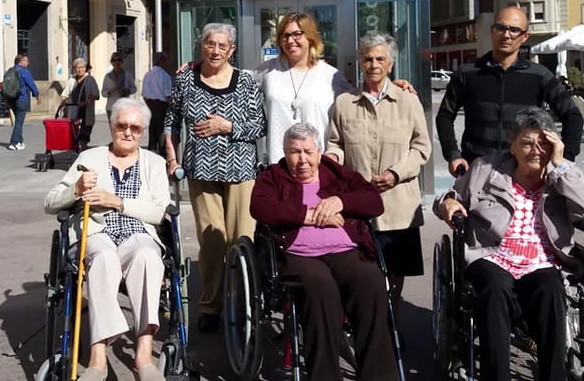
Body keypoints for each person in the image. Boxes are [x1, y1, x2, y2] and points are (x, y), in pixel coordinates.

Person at [433, 106, 584, 381]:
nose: (536, 150)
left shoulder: (564, 173)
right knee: (494, 288)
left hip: (542, 259)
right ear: (512, 145)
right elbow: (448, 198)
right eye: (527, 143)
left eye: (544, 143)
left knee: (551, 289)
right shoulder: (485, 169)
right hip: (492, 254)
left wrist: (560, 167)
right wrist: (448, 203)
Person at [251, 122, 399, 381]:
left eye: (308, 152)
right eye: (295, 152)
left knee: (370, 281)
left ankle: (379, 376)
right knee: (321, 289)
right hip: (299, 255)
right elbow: (260, 208)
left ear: (319, 153)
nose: (302, 159)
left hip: (346, 250)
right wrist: (306, 216)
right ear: (285, 153)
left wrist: (341, 201)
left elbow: (374, 202)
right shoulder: (273, 176)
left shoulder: (337, 174)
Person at [44, 98, 169, 381]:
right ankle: (97, 359)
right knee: (104, 258)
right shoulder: (89, 158)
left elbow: (159, 212)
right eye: (122, 125)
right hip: (96, 232)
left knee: (148, 256)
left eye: (135, 128)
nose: (128, 132)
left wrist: (118, 202)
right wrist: (76, 189)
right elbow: (50, 202)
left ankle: (144, 356)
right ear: (112, 126)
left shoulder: (154, 163)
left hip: (138, 232)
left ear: (143, 132)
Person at [163, 22, 266, 333]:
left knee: (242, 240)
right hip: (201, 171)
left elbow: (259, 125)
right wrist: (172, 158)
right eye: (210, 44)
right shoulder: (185, 78)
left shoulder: (246, 81)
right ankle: (211, 304)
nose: (216, 50)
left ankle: (244, 302)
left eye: (223, 45)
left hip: (241, 172)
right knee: (211, 242)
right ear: (202, 45)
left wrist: (227, 126)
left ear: (232, 50)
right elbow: (171, 121)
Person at [326, 33, 432, 305]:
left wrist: (395, 174)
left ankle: (390, 315)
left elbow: (421, 147)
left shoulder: (408, 101)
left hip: (398, 205)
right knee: (359, 271)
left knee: (396, 270)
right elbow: (336, 143)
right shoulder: (344, 103)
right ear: (360, 62)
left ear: (390, 64)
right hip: (357, 205)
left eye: (380, 59)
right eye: (368, 59)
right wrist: (331, 159)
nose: (374, 65)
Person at [436, 5, 583, 176]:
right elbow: (444, 116)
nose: (506, 35)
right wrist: (453, 154)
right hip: (476, 169)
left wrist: (565, 157)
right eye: (501, 28)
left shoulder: (539, 75)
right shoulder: (467, 73)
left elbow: (573, 116)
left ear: (525, 36)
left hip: (523, 173)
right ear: (492, 31)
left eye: (514, 30)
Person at [253, 12, 353, 165]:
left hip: (317, 165)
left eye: (297, 34)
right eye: (285, 35)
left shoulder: (330, 75)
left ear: (310, 37)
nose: (290, 40)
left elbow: (356, 103)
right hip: (279, 163)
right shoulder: (270, 70)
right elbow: (236, 79)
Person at [7, 53, 41, 151]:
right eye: (26, 61)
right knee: (19, 122)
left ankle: (20, 141)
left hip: (11, 100)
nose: (28, 63)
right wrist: (37, 95)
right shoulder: (24, 72)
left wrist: (6, 100)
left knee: (18, 120)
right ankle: (14, 142)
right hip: (21, 99)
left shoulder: (9, 71)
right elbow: (31, 84)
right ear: (20, 62)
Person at [141, 52, 172, 153]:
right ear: (162, 61)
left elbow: (144, 95)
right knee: (162, 134)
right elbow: (168, 95)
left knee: (152, 134)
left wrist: (150, 106)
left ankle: (152, 152)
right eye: (166, 60)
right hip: (162, 107)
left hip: (151, 106)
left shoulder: (147, 75)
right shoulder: (165, 75)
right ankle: (163, 155)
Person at [68, 58, 100, 151]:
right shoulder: (73, 80)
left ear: (85, 68)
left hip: (87, 112)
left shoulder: (90, 79)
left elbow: (96, 95)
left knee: (84, 136)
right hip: (75, 111)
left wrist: (86, 102)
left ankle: (83, 151)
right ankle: (80, 150)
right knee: (75, 134)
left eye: (82, 67)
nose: (80, 70)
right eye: (77, 68)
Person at [101, 52, 136, 123]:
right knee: (114, 128)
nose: (116, 62)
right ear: (111, 62)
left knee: (123, 128)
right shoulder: (107, 76)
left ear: (122, 62)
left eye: (118, 60)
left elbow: (134, 88)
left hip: (124, 107)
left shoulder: (127, 74)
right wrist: (109, 92)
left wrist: (127, 91)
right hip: (111, 107)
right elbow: (103, 93)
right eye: (114, 60)